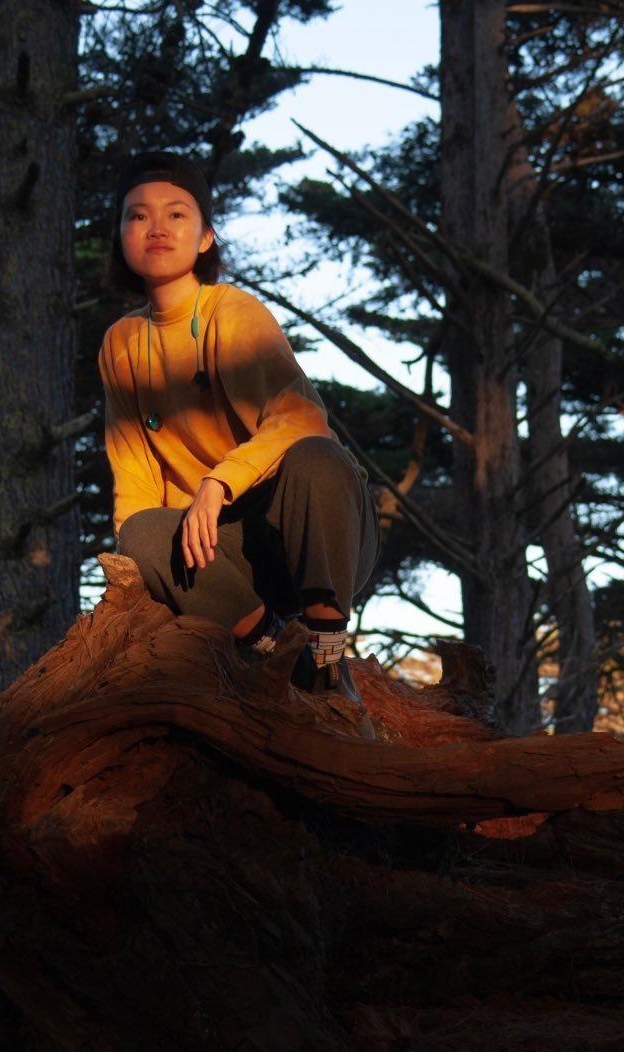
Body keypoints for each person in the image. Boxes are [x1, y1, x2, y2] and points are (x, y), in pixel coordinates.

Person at [98, 150, 379, 699]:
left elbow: (301, 419)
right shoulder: (120, 344)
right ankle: (277, 650)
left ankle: (327, 658)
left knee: (317, 458)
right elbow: (133, 478)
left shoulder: (232, 311)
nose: (156, 226)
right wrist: (132, 580)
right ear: (121, 237)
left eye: (176, 214)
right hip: (220, 566)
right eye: (137, 215)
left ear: (205, 238)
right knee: (140, 533)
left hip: (313, 532)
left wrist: (218, 480)